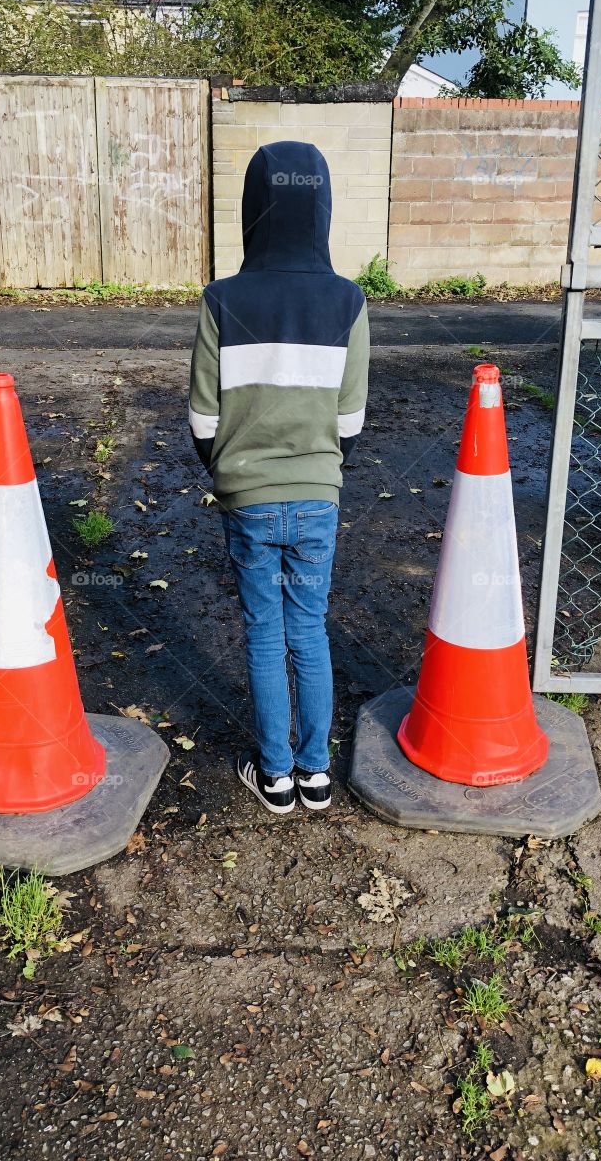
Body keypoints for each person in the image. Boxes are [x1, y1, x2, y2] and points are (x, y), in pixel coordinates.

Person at [188, 140, 369, 815]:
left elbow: (204, 418)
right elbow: (350, 419)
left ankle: (275, 777)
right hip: (318, 494)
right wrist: (320, 470)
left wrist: (232, 476)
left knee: (263, 631)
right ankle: (317, 773)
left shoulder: (221, 299)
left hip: (246, 497)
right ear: (320, 206)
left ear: (251, 213)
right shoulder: (348, 301)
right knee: (309, 629)